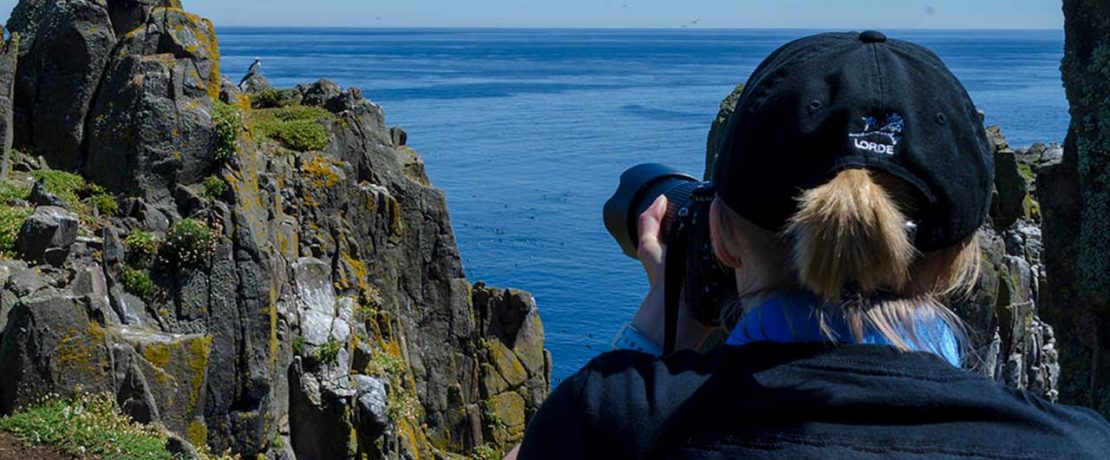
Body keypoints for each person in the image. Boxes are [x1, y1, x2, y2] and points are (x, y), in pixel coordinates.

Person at [510, 31, 1110, 459]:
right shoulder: (1079, 445)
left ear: (720, 234)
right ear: (962, 256)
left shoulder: (611, 426)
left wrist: (660, 329)